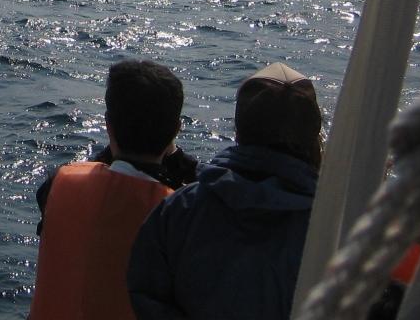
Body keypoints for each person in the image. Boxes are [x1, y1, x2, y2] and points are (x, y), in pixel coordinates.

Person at [127, 61, 323, 320]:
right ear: (313, 136)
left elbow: (146, 294)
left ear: (239, 131)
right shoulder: (334, 225)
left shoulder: (179, 211)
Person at [30, 59, 195, 320]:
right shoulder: (180, 216)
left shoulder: (57, 184)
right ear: (175, 130)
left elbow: (107, 173)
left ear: (108, 125)